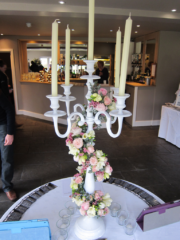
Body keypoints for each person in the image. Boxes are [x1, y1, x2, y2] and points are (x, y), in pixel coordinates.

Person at [0, 88, 17, 201]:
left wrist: (10, 133)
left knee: (6, 158)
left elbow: (10, 110)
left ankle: (7, 186)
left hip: (2, 126)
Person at [0, 59, 22, 128]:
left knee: (9, 109)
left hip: (4, 95)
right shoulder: (2, 75)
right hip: (4, 96)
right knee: (8, 109)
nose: (5, 70)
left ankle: (13, 123)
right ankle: (11, 125)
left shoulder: (3, 74)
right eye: (4, 68)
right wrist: (7, 91)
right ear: (0, 67)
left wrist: (7, 86)